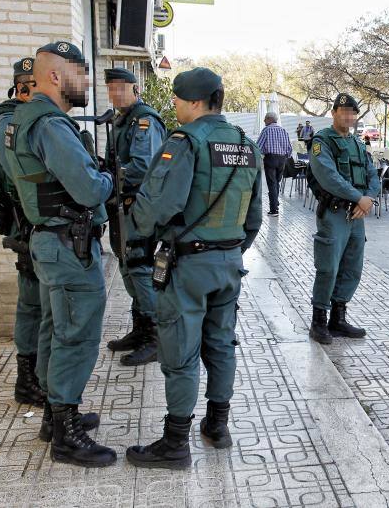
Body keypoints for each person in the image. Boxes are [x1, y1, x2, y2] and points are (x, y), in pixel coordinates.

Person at [125, 67, 262, 469]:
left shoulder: (186, 141)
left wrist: (138, 233)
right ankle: (217, 426)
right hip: (229, 262)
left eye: (179, 101)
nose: (176, 107)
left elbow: (160, 204)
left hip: (189, 265)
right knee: (220, 344)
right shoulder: (244, 143)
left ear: (197, 102)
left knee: (181, 351)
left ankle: (174, 443)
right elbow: (253, 214)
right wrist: (231, 249)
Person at [5, 41, 115, 467]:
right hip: (67, 246)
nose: (86, 81)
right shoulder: (51, 125)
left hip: (50, 244)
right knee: (76, 335)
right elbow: (88, 188)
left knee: (54, 330)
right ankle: (66, 435)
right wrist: (107, 178)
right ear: (56, 76)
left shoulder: (23, 118)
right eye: (80, 73)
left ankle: (54, 415)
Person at [0, 57, 45, 406]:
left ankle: (34, 374)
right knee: (31, 300)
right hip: (24, 219)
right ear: (22, 87)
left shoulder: (22, 119)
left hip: (33, 217)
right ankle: (27, 378)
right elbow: (23, 171)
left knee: (36, 299)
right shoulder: (5, 122)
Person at [102, 68, 167, 366]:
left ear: (135, 88)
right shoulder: (120, 120)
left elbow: (140, 167)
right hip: (121, 205)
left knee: (140, 268)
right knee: (128, 268)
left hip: (138, 206)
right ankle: (141, 330)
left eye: (120, 88)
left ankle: (156, 338)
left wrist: (106, 178)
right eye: (110, 88)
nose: (115, 94)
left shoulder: (145, 121)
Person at [308, 94, 380, 345]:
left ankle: (338, 319)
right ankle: (318, 321)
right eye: (344, 111)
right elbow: (328, 176)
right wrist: (358, 198)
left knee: (352, 267)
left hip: (357, 215)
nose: (348, 116)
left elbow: (373, 175)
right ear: (334, 112)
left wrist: (368, 198)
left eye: (352, 112)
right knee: (328, 267)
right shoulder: (322, 141)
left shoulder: (359, 144)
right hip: (335, 213)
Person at [256, 111, 292, 217]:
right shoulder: (283, 130)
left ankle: (274, 210)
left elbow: (258, 147)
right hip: (282, 160)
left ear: (269, 119)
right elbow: (289, 149)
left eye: (265, 119)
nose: (264, 121)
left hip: (270, 159)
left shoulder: (266, 130)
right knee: (276, 182)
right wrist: (285, 157)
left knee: (271, 184)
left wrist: (260, 155)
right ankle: (275, 202)